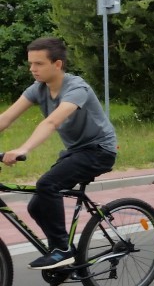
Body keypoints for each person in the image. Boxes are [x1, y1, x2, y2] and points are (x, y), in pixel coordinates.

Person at [0, 38, 118, 269]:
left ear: (57, 64)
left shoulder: (77, 89)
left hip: (99, 150)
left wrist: (23, 148)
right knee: (37, 206)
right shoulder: (38, 89)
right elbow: (5, 118)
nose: (32, 69)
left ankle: (62, 250)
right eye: (30, 63)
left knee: (47, 185)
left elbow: (52, 122)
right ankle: (64, 254)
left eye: (39, 63)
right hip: (75, 151)